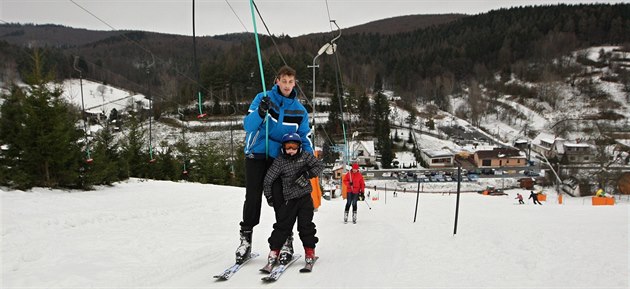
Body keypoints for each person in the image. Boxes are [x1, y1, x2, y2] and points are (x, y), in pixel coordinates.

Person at [236, 65, 314, 264]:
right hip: (257, 152)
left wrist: (308, 162)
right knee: (252, 196)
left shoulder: (299, 110)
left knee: (282, 197)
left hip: (279, 158)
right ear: (277, 81)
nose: (287, 85)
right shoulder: (263, 98)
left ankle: (286, 240)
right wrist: (261, 111)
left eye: (290, 81)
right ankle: (246, 239)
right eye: (284, 81)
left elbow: (304, 138)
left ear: (294, 83)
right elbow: (248, 125)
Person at [263, 133, 323, 266]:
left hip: (305, 199)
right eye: (287, 147)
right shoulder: (280, 161)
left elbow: (319, 166)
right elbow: (268, 179)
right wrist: (269, 196)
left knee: (305, 226)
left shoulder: (305, 157)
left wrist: (308, 174)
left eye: (294, 147)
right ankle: (274, 251)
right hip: (289, 200)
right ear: (283, 148)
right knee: (282, 226)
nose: (290, 150)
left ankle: (309, 251)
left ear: (299, 147)